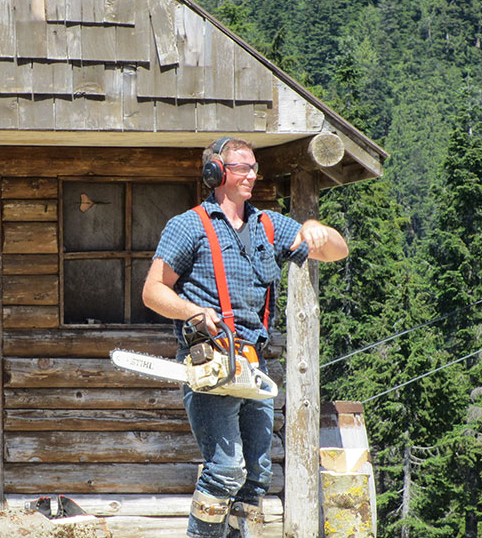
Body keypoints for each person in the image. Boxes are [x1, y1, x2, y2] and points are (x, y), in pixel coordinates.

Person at [142, 137, 348, 538]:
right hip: (210, 361)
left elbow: (337, 251)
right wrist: (193, 311)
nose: (252, 175)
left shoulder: (268, 225)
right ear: (216, 172)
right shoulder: (188, 227)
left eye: (254, 167)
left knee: (256, 475)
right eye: (242, 168)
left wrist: (315, 229)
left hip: (254, 363)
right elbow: (152, 291)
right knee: (225, 468)